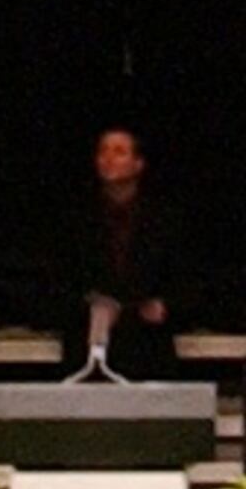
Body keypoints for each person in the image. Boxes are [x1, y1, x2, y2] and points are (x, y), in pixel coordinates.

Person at [78, 123, 178, 382]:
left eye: (119, 152)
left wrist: (164, 306)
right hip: (89, 337)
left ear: (138, 164)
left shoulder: (164, 220)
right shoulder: (78, 218)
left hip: (148, 342)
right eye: (103, 151)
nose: (109, 159)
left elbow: (186, 278)